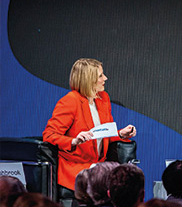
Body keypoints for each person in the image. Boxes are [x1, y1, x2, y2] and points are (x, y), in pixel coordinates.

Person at [42, 58, 136, 196]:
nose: (105, 78)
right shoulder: (70, 101)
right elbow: (49, 135)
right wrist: (73, 141)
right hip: (76, 166)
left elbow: (103, 133)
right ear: (88, 79)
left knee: (126, 180)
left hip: (99, 164)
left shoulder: (103, 98)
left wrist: (121, 134)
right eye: (100, 76)